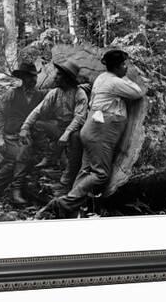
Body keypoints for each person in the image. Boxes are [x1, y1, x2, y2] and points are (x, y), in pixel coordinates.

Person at [39, 49, 144, 219]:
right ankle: (63, 203)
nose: (126, 68)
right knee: (100, 174)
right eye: (123, 65)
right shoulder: (114, 82)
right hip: (100, 131)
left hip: (92, 128)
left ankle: (68, 209)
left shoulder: (103, 78)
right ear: (116, 67)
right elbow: (138, 92)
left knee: (85, 170)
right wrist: (124, 76)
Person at [19, 59, 88, 188]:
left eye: (59, 75)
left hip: (75, 129)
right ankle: (49, 156)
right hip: (59, 127)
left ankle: (69, 175)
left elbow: (79, 118)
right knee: (38, 124)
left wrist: (67, 133)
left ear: (67, 78)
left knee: (76, 137)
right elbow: (38, 111)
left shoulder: (80, 94)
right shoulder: (55, 92)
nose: (55, 77)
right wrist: (25, 127)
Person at [0, 62, 45, 204]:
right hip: (9, 137)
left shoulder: (40, 95)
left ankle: (1, 189)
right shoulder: (12, 94)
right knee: (17, 158)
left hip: (27, 137)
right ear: (22, 77)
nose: (33, 80)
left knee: (21, 155)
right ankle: (3, 190)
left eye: (34, 76)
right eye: (29, 76)